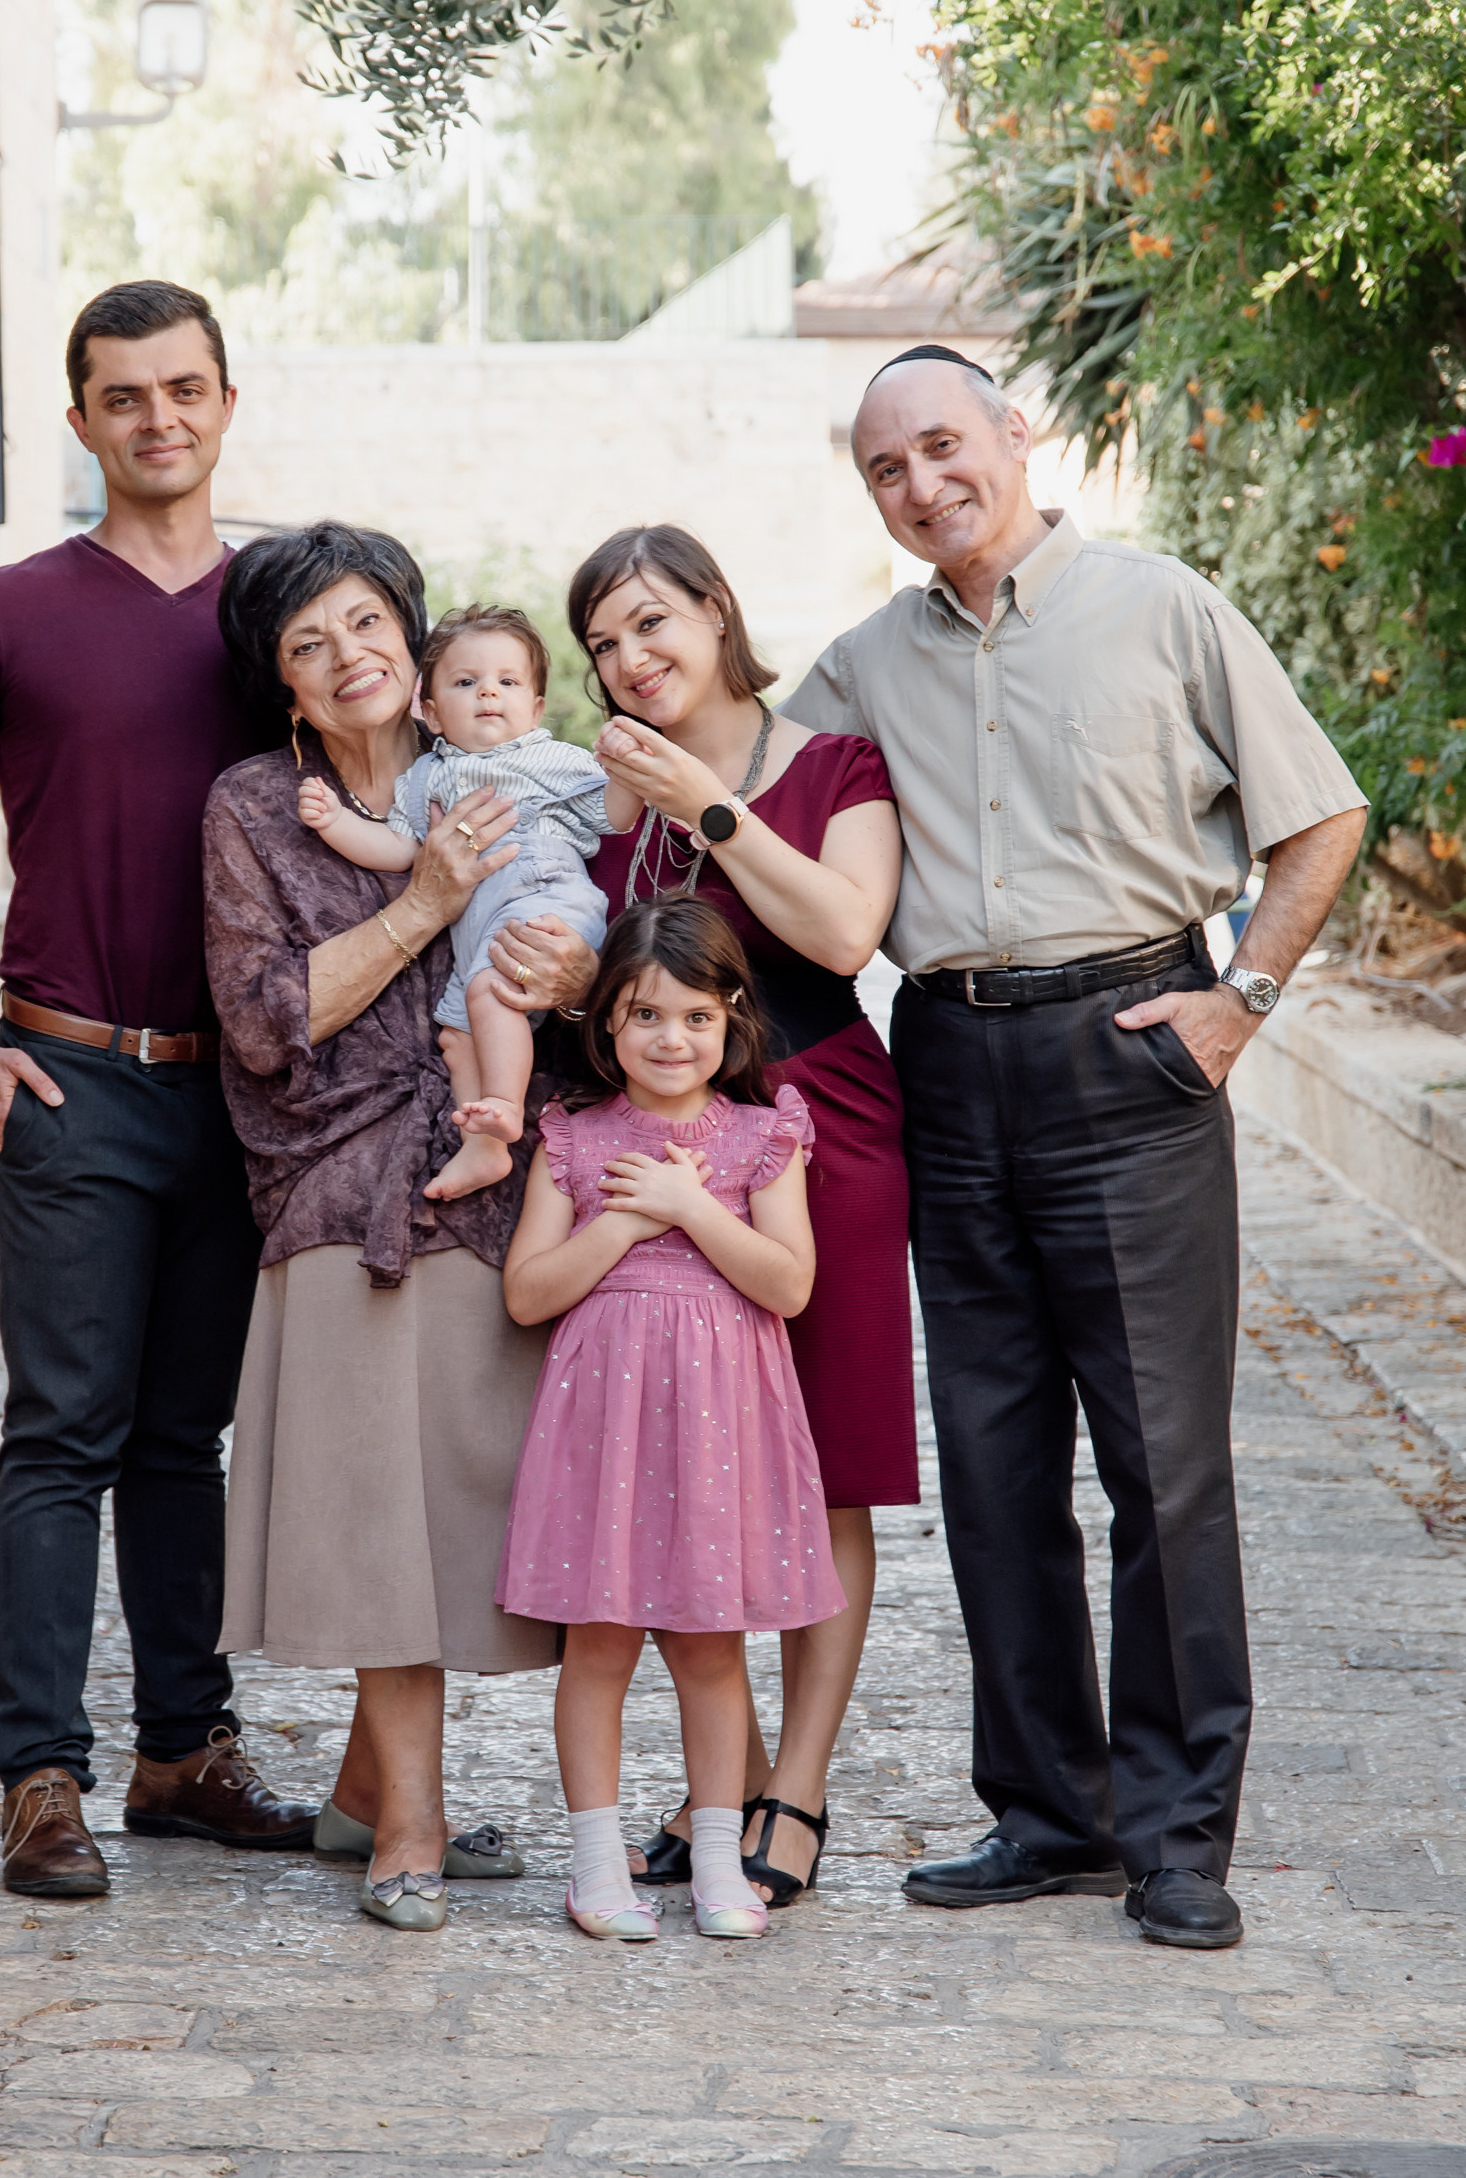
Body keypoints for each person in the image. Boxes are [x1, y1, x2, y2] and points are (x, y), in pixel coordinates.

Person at [784, 342, 1369, 1954]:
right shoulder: (856, 668)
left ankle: (1177, 1836)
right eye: (885, 468)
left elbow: (1318, 817)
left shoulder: (1159, 608)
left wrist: (1235, 1002)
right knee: (989, 1463)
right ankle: (1048, 1816)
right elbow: (745, 808)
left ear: (1011, 435)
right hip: (948, 1062)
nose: (921, 485)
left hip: (1133, 1050)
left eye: (941, 445)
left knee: (1161, 1466)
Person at [0, 279, 315, 1899]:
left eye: (184, 388)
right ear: (79, 421)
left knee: (181, 1440)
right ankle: (42, 1776)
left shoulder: (276, 606)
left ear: (224, 400)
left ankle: (182, 1752)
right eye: (123, 395)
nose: (158, 418)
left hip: (241, 1092)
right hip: (69, 1075)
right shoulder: (5, 607)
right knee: (59, 1436)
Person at [202, 526, 560, 1934]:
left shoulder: (495, 775)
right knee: (378, 1522)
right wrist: (425, 903)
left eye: (366, 626)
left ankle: (365, 1793)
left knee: (454, 1508)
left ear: (411, 651)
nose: (346, 655)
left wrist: (570, 959)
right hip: (338, 1186)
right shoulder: (254, 807)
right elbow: (267, 1017)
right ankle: (408, 1818)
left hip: (484, 1187)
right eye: (309, 643)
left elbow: (569, 941)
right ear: (286, 691)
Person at [555, 525, 909, 1910]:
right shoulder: (593, 797)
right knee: (692, 1451)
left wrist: (705, 801)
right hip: (654, 1153)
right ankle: (723, 1791)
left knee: (825, 1465)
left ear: (715, 611)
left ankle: (795, 1791)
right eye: (600, 644)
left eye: (650, 625)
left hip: (823, 1122)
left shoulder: (834, 764)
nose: (628, 660)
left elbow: (838, 935)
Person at [499, 900, 844, 1945]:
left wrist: (695, 1208)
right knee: (598, 1645)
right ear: (606, 1024)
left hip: (719, 1429)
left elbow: (788, 1283)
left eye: (695, 1016)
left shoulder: (760, 1135)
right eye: (644, 1014)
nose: (670, 1038)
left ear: (731, 1019)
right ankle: (598, 1866)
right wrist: (633, 1217)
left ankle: (715, 1862)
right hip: (605, 1424)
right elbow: (526, 1293)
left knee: (708, 1648)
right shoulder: (576, 1136)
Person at [297, 599, 609, 1193]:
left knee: (490, 993)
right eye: (467, 683)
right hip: (480, 928)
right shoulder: (426, 777)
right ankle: (483, 1143)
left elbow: (610, 813)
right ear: (433, 713)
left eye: (507, 682)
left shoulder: (553, 759)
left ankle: (505, 1106)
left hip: (543, 900)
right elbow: (398, 849)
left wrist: (627, 770)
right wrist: (335, 822)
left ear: (537, 708)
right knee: (458, 1034)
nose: (488, 693)